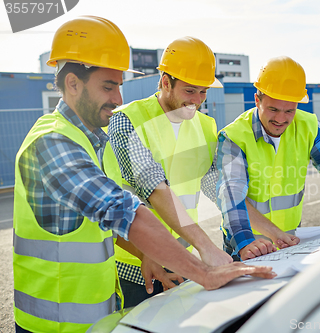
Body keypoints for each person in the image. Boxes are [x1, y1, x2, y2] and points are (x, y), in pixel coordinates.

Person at [12, 16, 274, 333]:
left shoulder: (91, 139)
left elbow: (101, 222)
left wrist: (148, 252)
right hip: (52, 323)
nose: (118, 100)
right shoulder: (54, 143)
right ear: (72, 83)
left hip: (101, 309)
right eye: (108, 87)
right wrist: (202, 269)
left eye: (119, 86)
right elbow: (127, 209)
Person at [106, 36, 232, 307]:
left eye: (203, 92)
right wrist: (205, 246)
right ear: (165, 82)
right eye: (190, 91)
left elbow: (219, 189)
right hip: (135, 263)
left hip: (180, 262)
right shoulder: (126, 120)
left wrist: (248, 232)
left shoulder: (206, 126)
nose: (196, 101)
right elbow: (153, 189)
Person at [216, 56, 320, 261]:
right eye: (273, 109)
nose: (281, 119)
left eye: (289, 111)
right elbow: (231, 193)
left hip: (289, 244)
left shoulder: (309, 128)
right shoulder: (235, 137)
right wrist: (245, 243)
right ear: (257, 99)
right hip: (245, 247)